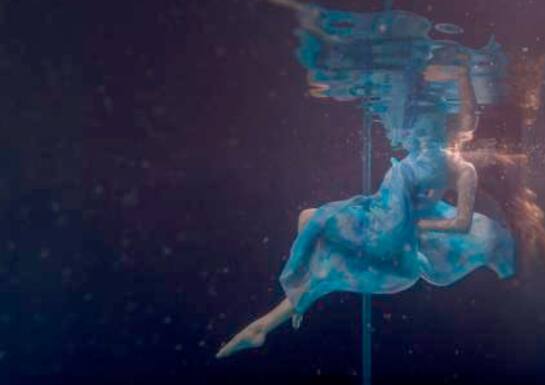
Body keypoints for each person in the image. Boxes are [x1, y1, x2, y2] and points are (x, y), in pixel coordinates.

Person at [216, 63, 515, 358]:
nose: (422, 133)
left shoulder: (459, 168)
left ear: (446, 129)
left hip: (388, 229)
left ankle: (299, 297)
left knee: (312, 223)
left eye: (431, 126)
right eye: (420, 127)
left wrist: (419, 226)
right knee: (311, 226)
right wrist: (458, 76)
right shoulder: (425, 153)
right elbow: (463, 117)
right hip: (378, 213)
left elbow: (462, 223)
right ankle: (273, 319)